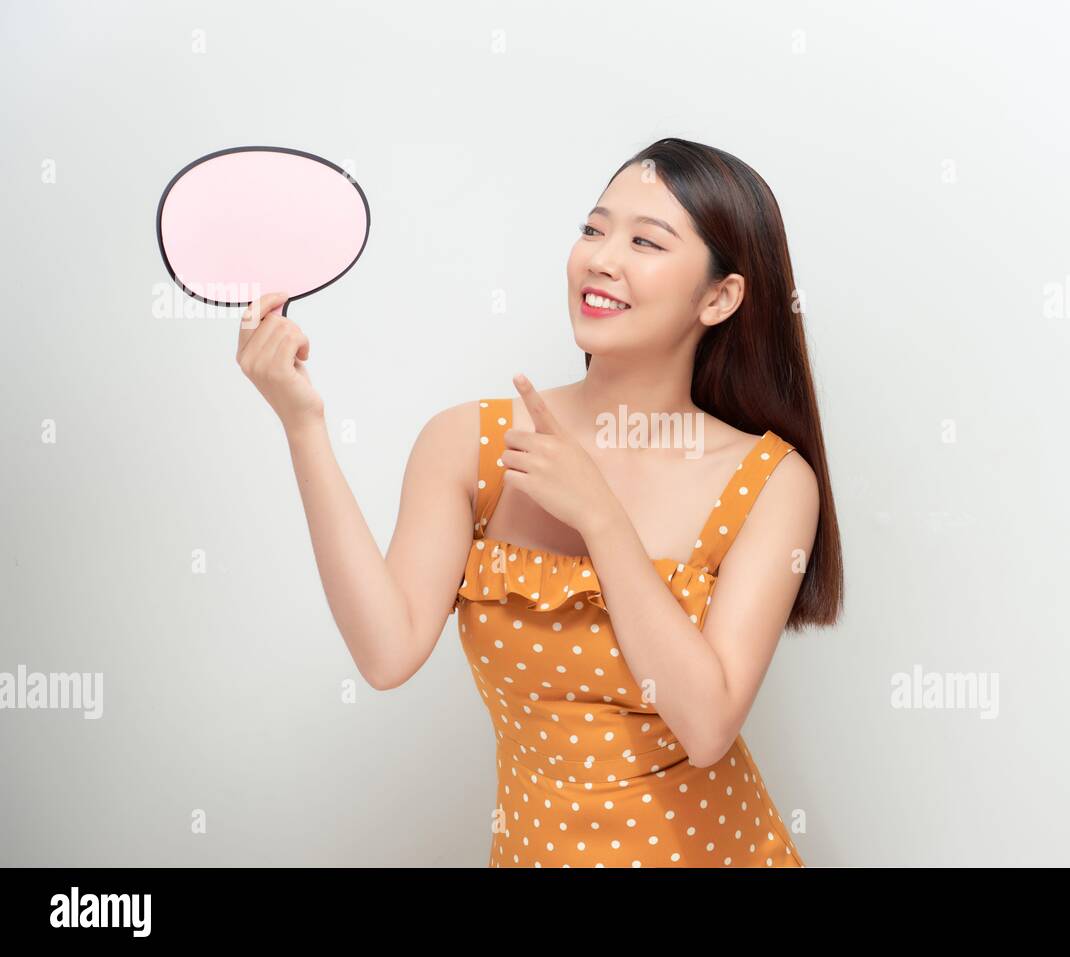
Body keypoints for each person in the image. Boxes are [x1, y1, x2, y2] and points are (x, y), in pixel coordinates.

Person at [236, 137, 843, 867]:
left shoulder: (772, 480)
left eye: (646, 241)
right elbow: (386, 651)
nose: (600, 258)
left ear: (720, 297)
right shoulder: (470, 444)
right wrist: (302, 425)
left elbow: (708, 724)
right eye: (593, 229)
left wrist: (601, 518)